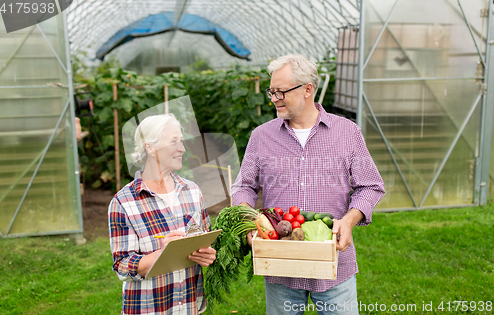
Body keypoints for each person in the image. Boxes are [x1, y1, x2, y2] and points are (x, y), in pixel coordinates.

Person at [231, 54, 385, 315]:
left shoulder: (347, 132)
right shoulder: (261, 136)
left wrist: (348, 221)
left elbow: (370, 185)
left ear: (307, 90)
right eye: (272, 91)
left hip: (334, 261)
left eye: (281, 92)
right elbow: (244, 186)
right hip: (281, 262)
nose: (274, 99)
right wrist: (248, 219)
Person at [108, 114, 216, 315]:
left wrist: (207, 253)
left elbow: (204, 238)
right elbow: (122, 266)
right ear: (150, 147)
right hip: (150, 309)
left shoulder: (192, 191)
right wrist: (164, 253)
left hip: (191, 307)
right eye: (173, 141)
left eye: (181, 141)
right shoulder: (123, 202)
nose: (182, 148)